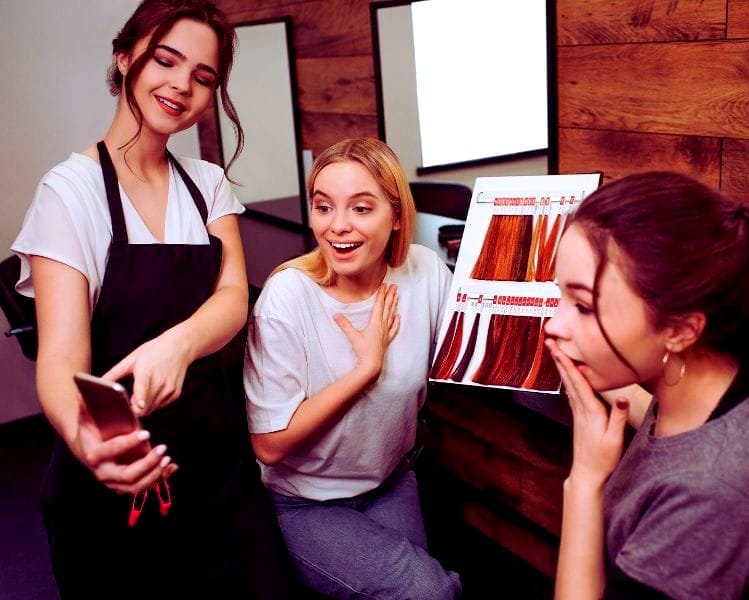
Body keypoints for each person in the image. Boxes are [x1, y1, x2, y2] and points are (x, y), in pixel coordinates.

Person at [12, 1, 295, 597]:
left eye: (203, 76)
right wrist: (87, 438)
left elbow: (232, 296)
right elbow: (60, 357)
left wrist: (178, 343)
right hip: (119, 470)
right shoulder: (71, 192)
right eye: (166, 61)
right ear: (125, 57)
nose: (182, 86)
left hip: (218, 465)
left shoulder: (207, 184)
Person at [544, 172, 749, 598]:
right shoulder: (703, 381)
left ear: (680, 330)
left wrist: (585, 480)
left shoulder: (712, 496)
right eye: (561, 298)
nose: (555, 325)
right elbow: (676, 439)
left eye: (584, 307)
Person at [244, 138, 462, 599]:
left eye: (361, 209)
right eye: (324, 207)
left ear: (397, 214)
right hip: (304, 502)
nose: (337, 227)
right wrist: (365, 369)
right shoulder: (287, 298)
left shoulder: (423, 271)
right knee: (430, 592)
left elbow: (469, 347)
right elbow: (268, 445)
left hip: (388, 479)